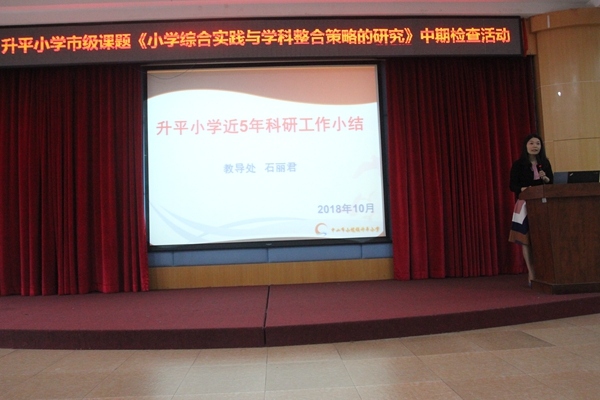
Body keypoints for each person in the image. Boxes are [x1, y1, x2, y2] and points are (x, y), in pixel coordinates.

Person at [509, 133, 553, 286]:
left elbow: (551, 184)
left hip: (542, 204)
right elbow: (512, 186)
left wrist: (546, 178)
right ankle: (531, 272)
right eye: (531, 143)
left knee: (543, 237)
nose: (535, 146)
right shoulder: (518, 164)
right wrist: (524, 188)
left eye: (538, 143)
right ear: (526, 146)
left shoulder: (544, 163)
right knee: (526, 239)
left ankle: (545, 271)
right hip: (525, 204)